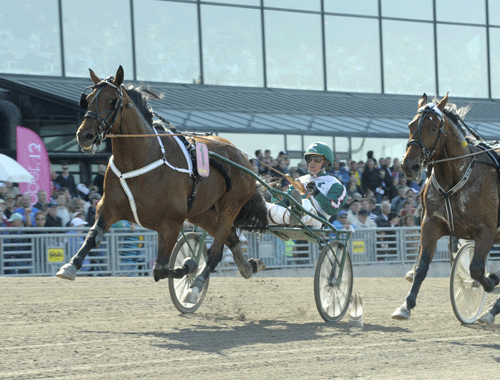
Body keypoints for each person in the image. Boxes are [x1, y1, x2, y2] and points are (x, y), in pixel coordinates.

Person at [266, 142, 347, 227]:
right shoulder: (300, 180)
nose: (312, 163)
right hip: (291, 219)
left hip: (318, 221)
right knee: (266, 206)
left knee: (305, 203)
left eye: (317, 160)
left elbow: (332, 209)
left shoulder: (335, 184)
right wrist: (276, 196)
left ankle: (297, 213)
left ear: (327, 163)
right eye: (309, 159)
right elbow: (282, 203)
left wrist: (317, 193)